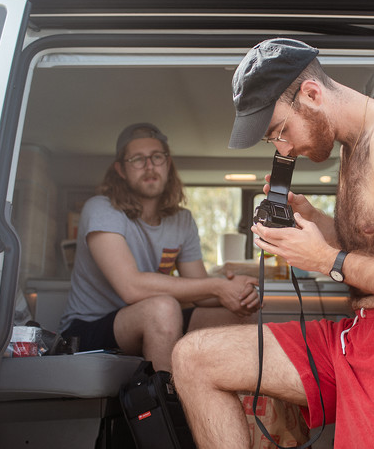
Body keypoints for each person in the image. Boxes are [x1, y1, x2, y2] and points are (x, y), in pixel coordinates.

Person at [171, 39, 374, 448]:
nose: (283, 149)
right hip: (359, 334)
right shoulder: (353, 147)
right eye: (273, 141)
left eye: (279, 131)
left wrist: (326, 259)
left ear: (312, 95)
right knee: (194, 359)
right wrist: (316, 222)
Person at [59, 122, 261, 372]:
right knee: (163, 307)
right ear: (120, 170)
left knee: (238, 317)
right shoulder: (101, 209)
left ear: (168, 164)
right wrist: (218, 286)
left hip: (152, 319)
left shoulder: (182, 220)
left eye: (157, 157)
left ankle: (222, 402)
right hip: (86, 330)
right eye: (137, 159)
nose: (149, 166)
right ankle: (166, 407)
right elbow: (131, 288)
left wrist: (236, 292)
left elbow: (200, 290)